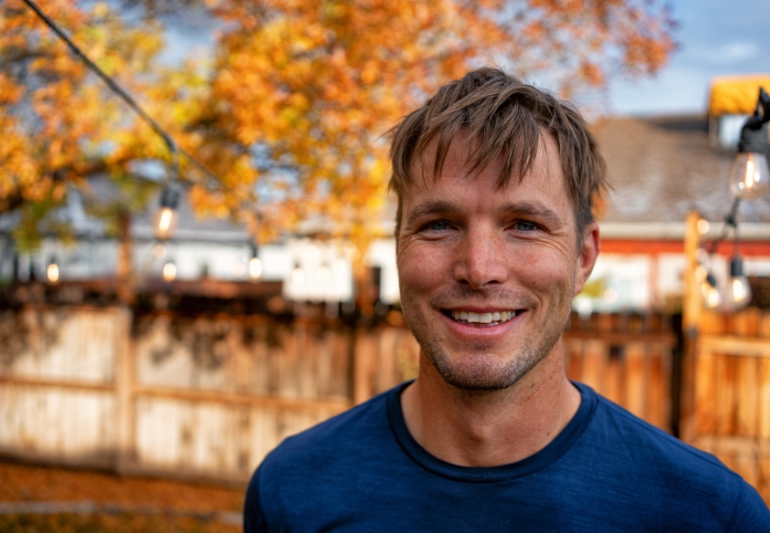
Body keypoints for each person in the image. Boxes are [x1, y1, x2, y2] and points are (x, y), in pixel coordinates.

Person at [243, 67, 770, 531]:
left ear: (583, 257)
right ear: (399, 246)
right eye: (439, 224)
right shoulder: (293, 492)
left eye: (524, 224)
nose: (479, 268)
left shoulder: (707, 514)